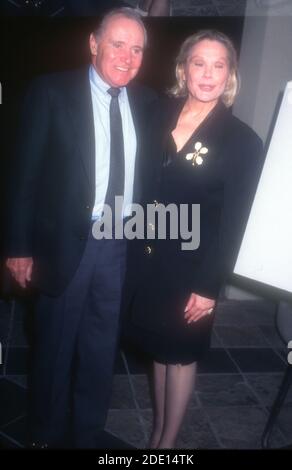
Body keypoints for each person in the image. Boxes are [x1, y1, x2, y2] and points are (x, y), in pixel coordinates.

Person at [4, 7, 158, 448]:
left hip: (120, 241)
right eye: (117, 44)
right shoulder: (50, 92)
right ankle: (44, 436)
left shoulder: (147, 103)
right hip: (65, 243)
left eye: (137, 49)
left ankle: (87, 435)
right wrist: (18, 246)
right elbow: (23, 176)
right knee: (53, 347)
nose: (127, 57)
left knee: (100, 349)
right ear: (93, 43)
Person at [124, 30, 264, 448]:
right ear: (183, 69)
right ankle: (157, 434)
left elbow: (234, 225)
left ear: (230, 74)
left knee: (181, 356)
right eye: (198, 63)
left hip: (194, 269)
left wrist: (209, 287)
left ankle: (166, 446)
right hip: (148, 259)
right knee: (160, 350)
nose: (208, 74)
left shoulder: (242, 141)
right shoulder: (156, 113)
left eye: (219, 65)